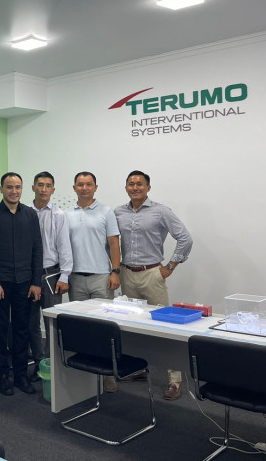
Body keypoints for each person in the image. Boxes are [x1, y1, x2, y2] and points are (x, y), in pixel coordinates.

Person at [114, 170, 193, 400]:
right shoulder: (118, 212)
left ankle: (174, 381)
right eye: (131, 184)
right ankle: (137, 369)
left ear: (148, 188)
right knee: (131, 326)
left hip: (152, 274)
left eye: (140, 184)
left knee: (164, 327)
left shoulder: (160, 211)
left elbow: (185, 238)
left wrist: (170, 266)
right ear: (126, 187)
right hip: (127, 274)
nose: (135, 187)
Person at [0, 172, 43, 396]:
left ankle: (20, 376)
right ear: (1, 189)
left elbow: (37, 249)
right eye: (9, 187)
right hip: (1, 283)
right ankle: (3, 377)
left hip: (25, 283)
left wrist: (36, 282)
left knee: (22, 330)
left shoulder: (30, 215)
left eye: (17, 187)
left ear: (22, 189)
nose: (14, 191)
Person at [65, 171, 121, 392]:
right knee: (80, 328)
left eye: (89, 184)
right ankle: (86, 377)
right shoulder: (66, 214)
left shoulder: (106, 212)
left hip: (101, 277)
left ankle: (107, 375)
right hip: (75, 277)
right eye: (80, 184)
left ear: (95, 187)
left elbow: (114, 244)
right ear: (74, 188)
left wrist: (115, 271)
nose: (84, 188)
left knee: (103, 329)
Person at [28, 171, 73, 382]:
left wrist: (65, 276)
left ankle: (52, 364)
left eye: (48, 185)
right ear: (33, 188)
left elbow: (65, 246)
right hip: (28, 276)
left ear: (53, 190)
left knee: (51, 324)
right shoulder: (23, 212)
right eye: (40, 185)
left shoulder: (59, 215)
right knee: (31, 323)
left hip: (51, 275)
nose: (43, 189)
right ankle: (38, 362)